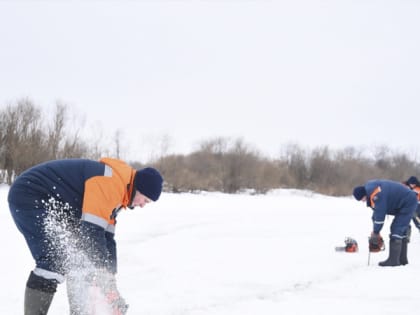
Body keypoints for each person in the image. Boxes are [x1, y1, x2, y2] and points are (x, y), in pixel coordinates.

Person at [8, 157, 163, 315]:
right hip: (31, 195)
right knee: (53, 261)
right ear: (139, 188)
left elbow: (107, 238)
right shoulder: (111, 183)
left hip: (56, 204)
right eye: (146, 200)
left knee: (81, 261)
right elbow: (92, 231)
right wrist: (103, 275)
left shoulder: (119, 196)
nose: (143, 205)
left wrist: (110, 278)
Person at [353, 179, 417, 267]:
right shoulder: (372, 189)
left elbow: (380, 215)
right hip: (407, 200)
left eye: (362, 199)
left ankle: (393, 261)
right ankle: (402, 259)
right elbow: (376, 213)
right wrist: (374, 229)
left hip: (408, 202)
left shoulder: (376, 194)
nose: (363, 201)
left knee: (397, 229)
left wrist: (376, 232)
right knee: (400, 230)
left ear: (364, 195)